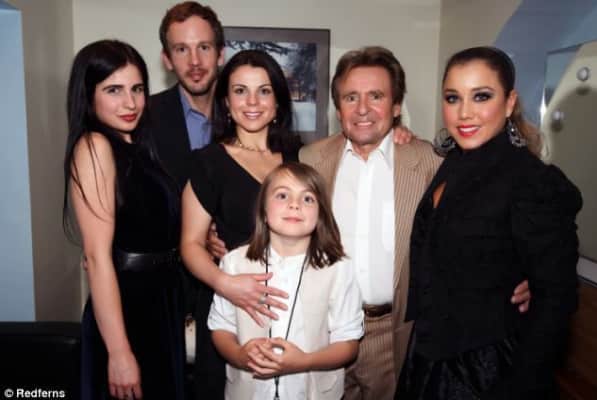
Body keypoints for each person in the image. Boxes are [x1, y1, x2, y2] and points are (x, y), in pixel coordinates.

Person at [298, 46, 533, 400]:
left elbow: (486, 223)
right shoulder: (310, 159)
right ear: (338, 106)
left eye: (376, 96)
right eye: (351, 97)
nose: (362, 109)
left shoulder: (431, 161)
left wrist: (525, 273)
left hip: (394, 335)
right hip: (322, 330)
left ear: (396, 107)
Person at [396, 46, 582, 400]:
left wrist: (521, 384)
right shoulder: (454, 162)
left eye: (481, 96)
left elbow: (556, 300)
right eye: (453, 98)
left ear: (509, 103)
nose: (464, 112)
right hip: (431, 356)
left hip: (489, 369)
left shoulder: (530, 180)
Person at [63, 40, 184, 399]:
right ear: (88, 95)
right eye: (113, 90)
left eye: (137, 89)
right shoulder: (95, 147)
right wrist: (118, 352)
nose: (130, 103)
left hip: (160, 303)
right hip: (128, 310)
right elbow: (97, 257)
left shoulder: (139, 148)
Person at [180, 49, 302, 399]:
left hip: (291, 305)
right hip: (229, 309)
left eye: (263, 91)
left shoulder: (298, 157)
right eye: (240, 91)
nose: (252, 102)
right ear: (226, 102)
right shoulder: (208, 163)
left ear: (277, 102)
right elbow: (190, 244)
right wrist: (227, 285)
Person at [207, 162, 364, 399]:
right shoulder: (233, 264)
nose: (294, 204)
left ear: (320, 214)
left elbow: (348, 344)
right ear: (263, 210)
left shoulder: (339, 269)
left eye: (308, 199)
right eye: (282, 195)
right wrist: (240, 356)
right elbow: (221, 329)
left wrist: (304, 361)